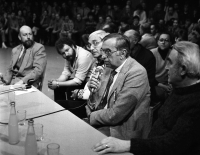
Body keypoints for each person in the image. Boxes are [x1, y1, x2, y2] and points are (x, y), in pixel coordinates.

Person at [93, 41, 200, 155]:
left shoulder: (196, 102)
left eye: (169, 63)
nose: (166, 68)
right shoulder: (179, 89)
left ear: (183, 69)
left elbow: (173, 144)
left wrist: (126, 145)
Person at [86, 33, 151, 140]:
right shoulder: (108, 67)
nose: (103, 56)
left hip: (121, 129)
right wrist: (93, 92)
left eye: (107, 52)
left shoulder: (137, 72)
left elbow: (116, 114)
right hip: (103, 120)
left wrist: (90, 117)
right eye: (102, 51)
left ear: (122, 53)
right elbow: (95, 104)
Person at [48, 37, 94, 101]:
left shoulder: (83, 56)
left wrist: (57, 84)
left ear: (72, 46)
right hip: (82, 81)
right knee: (58, 88)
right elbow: (66, 72)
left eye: (67, 50)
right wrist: (56, 81)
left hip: (90, 85)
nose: (66, 54)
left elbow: (78, 81)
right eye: (63, 53)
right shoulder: (69, 55)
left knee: (70, 89)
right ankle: (61, 107)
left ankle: (70, 108)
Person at [124, 29, 157, 103]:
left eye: (126, 39)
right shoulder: (123, 53)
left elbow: (149, 81)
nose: (123, 42)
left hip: (142, 94)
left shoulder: (148, 56)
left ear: (135, 41)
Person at [151, 32, 172, 102]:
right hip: (154, 83)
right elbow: (149, 76)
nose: (163, 42)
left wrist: (170, 85)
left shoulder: (173, 53)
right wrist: (163, 86)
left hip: (168, 83)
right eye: (161, 40)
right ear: (157, 42)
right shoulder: (152, 53)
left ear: (170, 43)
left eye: (166, 40)